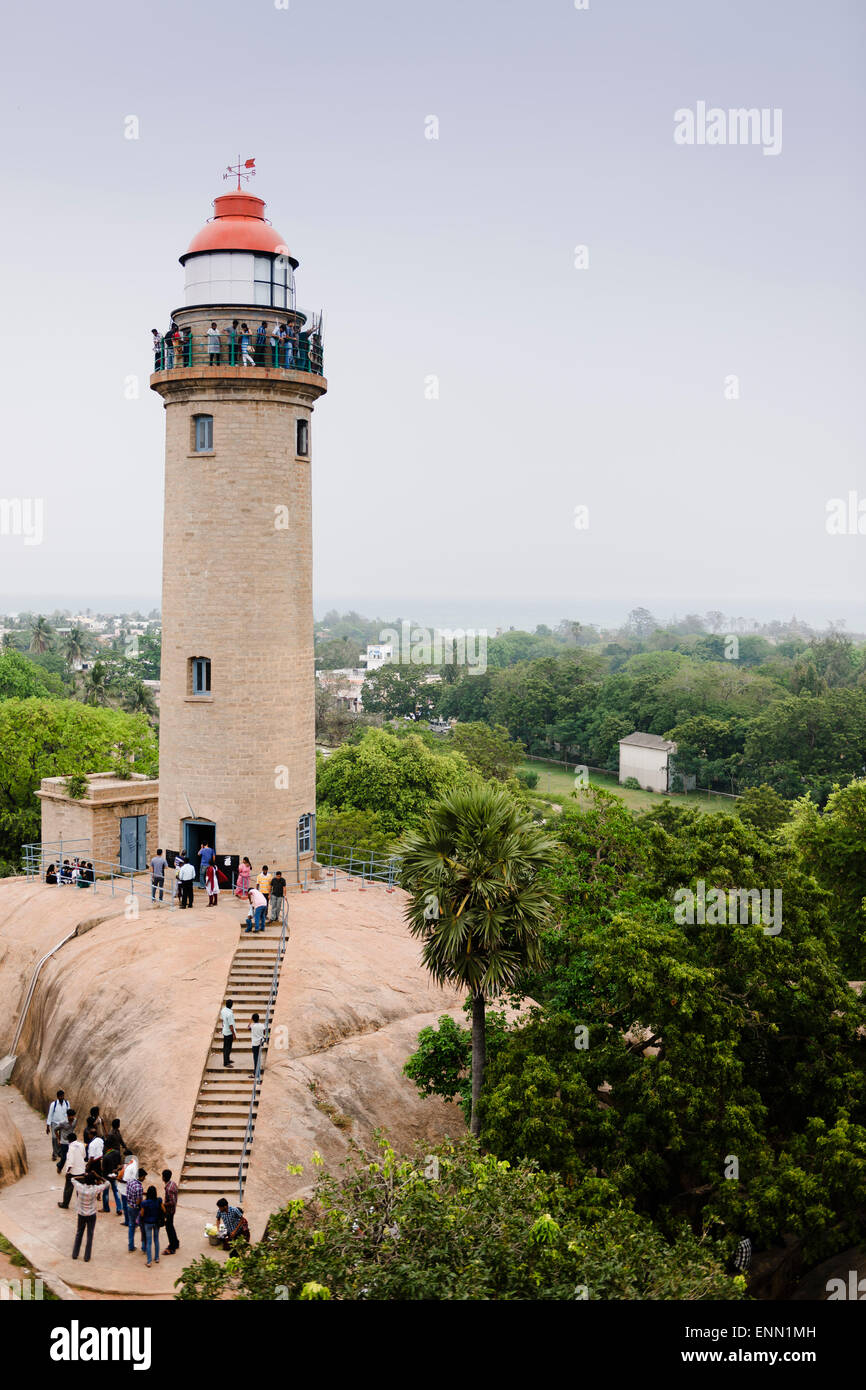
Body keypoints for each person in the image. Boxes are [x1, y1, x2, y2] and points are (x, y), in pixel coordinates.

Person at [70, 1173, 109, 1263]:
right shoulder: (95, 1189)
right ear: (93, 1181)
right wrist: (99, 1176)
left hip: (81, 1214)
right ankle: (87, 1257)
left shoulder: (79, 1187)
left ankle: (75, 1254)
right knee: (90, 1235)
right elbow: (107, 1183)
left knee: (79, 1233)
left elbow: (72, 1179)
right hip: (91, 1214)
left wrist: (83, 1176)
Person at [58, 1132, 88, 1208]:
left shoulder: (71, 1148)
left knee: (68, 1189)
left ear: (69, 1140)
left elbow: (70, 1162)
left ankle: (65, 1204)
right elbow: (84, 1156)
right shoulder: (81, 1145)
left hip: (73, 1172)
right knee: (80, 1189)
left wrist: (67, 1172)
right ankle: (80, 1205)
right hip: (81, 1170)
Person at [140, 1185, 164, 1267]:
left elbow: (142, 1214)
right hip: (156, 1222)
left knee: (149, 1242)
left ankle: (149, 1261)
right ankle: (157, 1258)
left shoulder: (144, 1203)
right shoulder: (159, 1200)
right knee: (156, 1240)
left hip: (147, 1223)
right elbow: (163, 1209)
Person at [125, 1166, 147, 1253]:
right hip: (136, 1209)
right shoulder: (139, 1187)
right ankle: (144, 1247)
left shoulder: (130, 1182)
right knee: (142, 1227)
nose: (144, 1179)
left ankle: (131, 1245)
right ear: (140, 1177)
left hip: (129, 1206)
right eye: (144, 1177)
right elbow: (138, 1201)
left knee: (131, 1226)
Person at [102, 1143, 125, 1215]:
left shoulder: (105, 1157)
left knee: (105, 1193)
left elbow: (103, 1168)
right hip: (114, 1175)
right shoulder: (117, 1153)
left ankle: (106, 1208)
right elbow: (120, 1164)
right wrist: (116, 1169)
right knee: (116, 1192)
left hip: (106, 1176)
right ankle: (119, 1208)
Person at [47, 1090, 71, 1158]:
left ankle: (60, 1152)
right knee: (54, 1138)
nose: (62, 1097)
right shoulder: (53, 1104)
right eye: (60, 1096)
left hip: (63, 1123)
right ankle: (54, 1154)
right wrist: (48, 1126)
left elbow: (69, 1113)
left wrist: (69, 1123)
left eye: (63, 1096)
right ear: (57, 1097)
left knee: (61, 1138)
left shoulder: (66, 1103)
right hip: (54, 1123)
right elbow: (50, 1115)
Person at [162, 1169, 179, 1255]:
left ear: (163, 1177)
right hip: (172, 1210)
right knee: (170, 1226)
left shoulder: (168, 1188)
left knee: (169, 1228)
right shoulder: (173, 1184)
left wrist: (164, 1204)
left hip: (169, 1211)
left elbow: (172, 1202)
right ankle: (176, 1242)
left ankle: (172, 1247)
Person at [119, 1153, 138, 1228]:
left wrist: (119, 1180)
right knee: (132, 1206)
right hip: (131, 1189)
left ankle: (128, 1222)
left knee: (126, 1207)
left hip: (126, 1190)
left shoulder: (129, 1167)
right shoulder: (134, 1162)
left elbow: (127, 1180)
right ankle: (134, 1222)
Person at [55, 1108, 77, 1173]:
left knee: (73, 1156)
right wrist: (59, 1139)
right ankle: (59, 1166)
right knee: (64, 1158)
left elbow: (73, 1129)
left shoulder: (75, 1120)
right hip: (64, 1142)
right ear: (67, 1116)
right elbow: (55, 1130)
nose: (72, 1117)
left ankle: (71, 1170)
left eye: (73, 1116)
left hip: (72, 1141)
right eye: (71, 1116)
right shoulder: (62, 1123)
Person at [220, 998, 237, 1067]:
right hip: (229, 1032)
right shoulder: (230, 1014)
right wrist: (234, 1034)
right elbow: (231, 1026)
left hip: (225, 1030)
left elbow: (223, 1020)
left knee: (227, 1047)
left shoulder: (223, 1010)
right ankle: (226, 1063)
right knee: (227, 1048)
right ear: (231, 1005)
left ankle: (227, 1059)